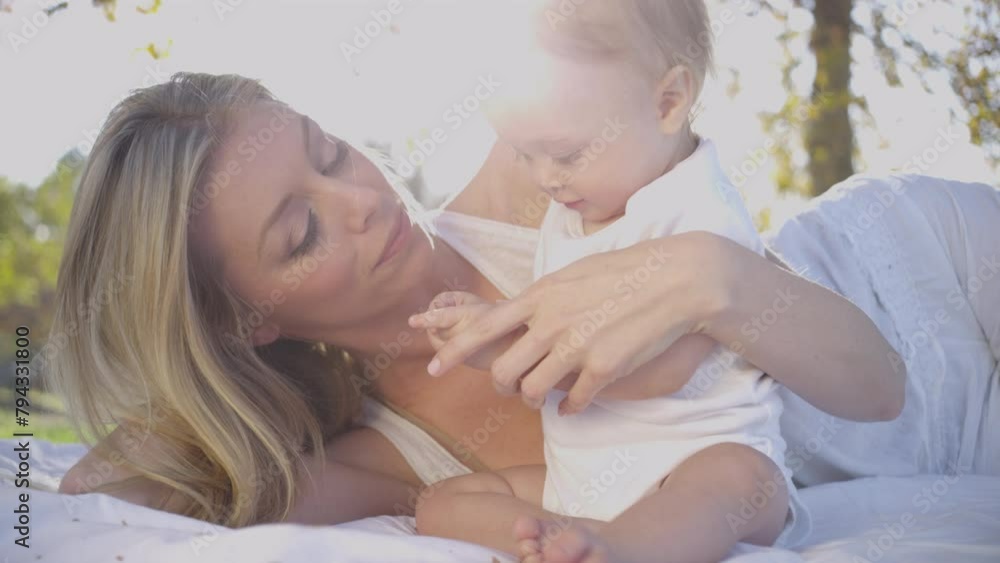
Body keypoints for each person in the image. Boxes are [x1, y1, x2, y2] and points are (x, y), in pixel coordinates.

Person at [51, 69, 995, 546]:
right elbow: (74, 504)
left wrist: (715, 276)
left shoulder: (533, 174)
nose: (365, 200)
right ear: (248, 320)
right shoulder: (386, 462)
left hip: (918, 270)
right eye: (301, 233)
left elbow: (881, 385)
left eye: (330, 151)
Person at [407, 2, 808, 561]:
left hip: (693, 462)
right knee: (439, 504)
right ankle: (566, 539)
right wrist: (478, 318)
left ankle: (623, 547)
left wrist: (507, 346)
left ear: (668, 103)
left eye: (566, 153)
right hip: (582, 486)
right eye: (524, 154)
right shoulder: (576, 207)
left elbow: (662, 372)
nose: (544, 178)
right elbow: (553, 311)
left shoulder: (696, 207)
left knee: (741, 480)